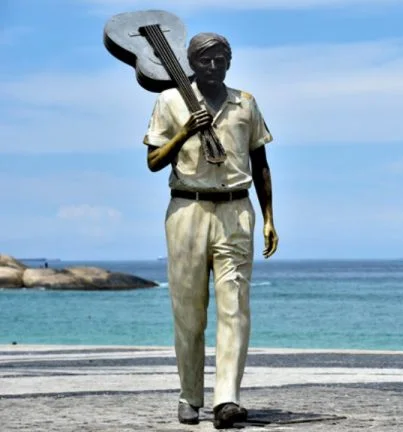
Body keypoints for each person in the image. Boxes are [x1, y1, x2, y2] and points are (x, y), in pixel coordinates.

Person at [142, 32, 278, 429]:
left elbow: (261, 161)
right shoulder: (169, 101)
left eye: (221, 60)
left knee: (235, 307)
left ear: (230, 62)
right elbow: (153, 161)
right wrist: (184, 131)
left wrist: (269, 217)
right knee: (189, 311)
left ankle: (227, 400)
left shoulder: (246, 103)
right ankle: (189, 396)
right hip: (187, 208)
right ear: (192, 64)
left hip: (237, 209)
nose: (214, 67)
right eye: (206, 61)